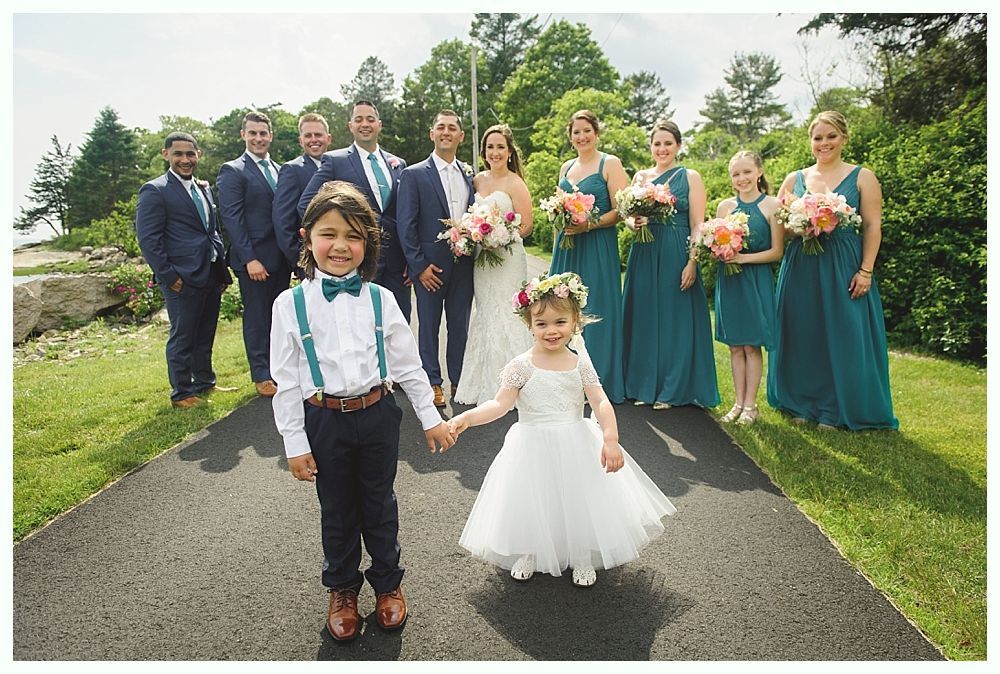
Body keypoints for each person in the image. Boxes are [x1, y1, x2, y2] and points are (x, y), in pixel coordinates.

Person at [270, 180, 455, 642]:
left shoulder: (381, 298)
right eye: (328, 233)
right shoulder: (289, 305)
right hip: (324, 418)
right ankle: (343, 590)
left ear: (367, 244)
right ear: (307, 237)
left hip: (377, 413)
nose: (340, 246)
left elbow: (409, 365)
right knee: (336, 508)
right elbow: (287, 382)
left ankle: (389, 585)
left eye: (354, 235)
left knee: (379, 502)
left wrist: (430, 419)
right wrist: (295, 444)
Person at [449, 272, 675, 587]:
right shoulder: (521, 365)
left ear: (575, 322)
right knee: (531, 497)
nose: (551, 331)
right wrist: (465, 419)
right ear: (529, 324)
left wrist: (610, 438)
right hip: (531, 443)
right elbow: (500, 405)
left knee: (579, 498)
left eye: (560, 322)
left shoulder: (579, 363)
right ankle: (529, 549)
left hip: (575, 440)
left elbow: (600, 402)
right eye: (541, 324)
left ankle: (582, 555)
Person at [767, 111, 898, 430]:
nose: (824, 143)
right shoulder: (793, 179)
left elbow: (871, 226)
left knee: (844, 334)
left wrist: (865, 271)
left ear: (844, 138)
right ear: (810, 141)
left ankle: (839, 407)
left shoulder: (862, 176)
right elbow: (781, 227)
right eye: (817, 137)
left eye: (831, 136)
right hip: (801, 264)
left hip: (842, 263)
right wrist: (801, 225)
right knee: (803, 333)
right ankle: (802, 402)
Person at [622, 120, 719, 410]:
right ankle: (642, 386)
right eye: (657, 143)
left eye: (668, 143)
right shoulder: (640, 177)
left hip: (676, 250)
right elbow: (627, 216)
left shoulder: (690, 176)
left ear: (678, 145)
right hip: (644, 250)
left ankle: (672, 390)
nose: (662, 148)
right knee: (645, 318)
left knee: (675, 321)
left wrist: (692, 262)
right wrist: (632, 221)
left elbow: (697, 224)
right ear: (651, 147)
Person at [136, 132, 233, 408]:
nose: (185, 159)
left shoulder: (203, 187)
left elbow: (210, 229)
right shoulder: (154, 190)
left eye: (190, 154)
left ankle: (205, 383)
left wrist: (221, 269)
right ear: (166, 154)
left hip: (210, 272)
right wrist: (169, 277)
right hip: (181, 277)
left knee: (205, 333)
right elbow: (148, 240)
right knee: (183, 335)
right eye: (178, 154)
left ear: (198, 155)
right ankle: (181, 392)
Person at [298, 101, 411, 319]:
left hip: (397, 262)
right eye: (359, 119)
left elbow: (406, 213)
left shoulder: (398, 163)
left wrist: (411, 258)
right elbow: (306, 204)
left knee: (399, 322)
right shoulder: (336, 160)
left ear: (379, 124)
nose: (364, 124)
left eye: (370, 119)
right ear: (351, 126)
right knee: (363, 323)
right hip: (359, 260)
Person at [395, 110, 475, 408]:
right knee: (427, 326)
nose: (446, 132)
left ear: (460, 136)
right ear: (432, 134)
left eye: (452, 128)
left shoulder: (469, 175)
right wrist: (418, 266)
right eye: (440, 127)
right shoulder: (414, 174)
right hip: (429, 266)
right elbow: (406, 224)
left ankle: (458, 379)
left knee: (459, 325)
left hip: (464, 264)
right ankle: (432, 381)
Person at [549, 110, 629, 403]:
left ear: (596, 133)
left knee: (597, 309)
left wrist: (589, 224)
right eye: (576, 132)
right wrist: (558, 245)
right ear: (570, 137)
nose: (581, 137)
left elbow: (622, 211)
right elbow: (559, 210)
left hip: (597, 246)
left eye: (586, 131)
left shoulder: (610, 163)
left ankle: (597, 381)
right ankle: (565, 378)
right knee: (563, 310)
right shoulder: (566, 167)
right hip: (568, 248)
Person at [454, 124, 533, 406]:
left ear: (510, 151)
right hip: (482, 260)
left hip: (508, 258)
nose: (495, 152)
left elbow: (526, 225)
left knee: (510, 312)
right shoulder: (477, 181)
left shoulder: (515, 182)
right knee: (486, 312)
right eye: (490, 147)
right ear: (484, 152)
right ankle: (485, 382)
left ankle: (518, 385)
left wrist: (500, 235)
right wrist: (476, 234)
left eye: (501, 147)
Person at [217, 110, 291, 398]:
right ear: (243, 135)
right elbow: (232, 218)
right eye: (253, 133)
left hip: (280, 257)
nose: (258, 138)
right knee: (258, 317)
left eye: (263, 133)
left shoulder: (280, 169)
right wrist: (250, 259)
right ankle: (261, 373)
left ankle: (277, 368)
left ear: (270, 136)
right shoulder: (233, 171)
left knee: (279, 317)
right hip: (255, 259)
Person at [713, 151, 783, 425]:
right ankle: (738, 403)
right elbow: (716, 244)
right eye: (736, 174)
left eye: (746, 172)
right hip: (730, 281)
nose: (741, 178)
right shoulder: (725, 208)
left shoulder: (772, 205)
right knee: (734, 346)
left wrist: (743, 258)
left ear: (759, 172)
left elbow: (777, 252)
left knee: (752, 346)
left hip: (756, 280)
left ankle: (751, 406)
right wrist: (718, 251)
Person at [272, 112, 332, 275]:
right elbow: (283, 222)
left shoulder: (338, 166)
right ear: (301, 141)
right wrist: (301, 261)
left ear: (328, 138)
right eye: (308, 135)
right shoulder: (292, 170)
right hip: (311, 264)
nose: (314, 139)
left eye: (318, 135)